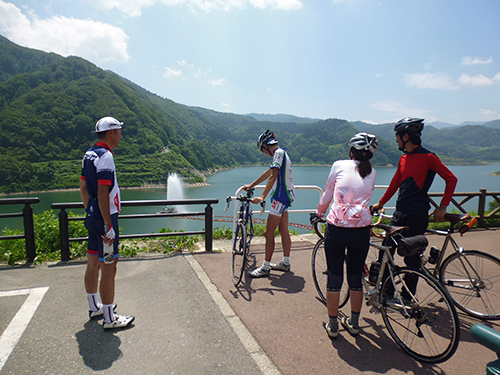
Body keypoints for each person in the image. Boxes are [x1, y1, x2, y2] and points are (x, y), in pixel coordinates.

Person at [371, 117, 458, 302]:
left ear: (405, 136)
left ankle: (407, 298)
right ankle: (387, 293)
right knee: (386, 250)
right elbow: (394, 184)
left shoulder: (429, 158)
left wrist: (443, 206)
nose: (395, 140)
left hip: (417, 214)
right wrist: (381, 202)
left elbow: (451, 179)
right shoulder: (403, 159)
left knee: (412, 258)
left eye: (397, 136)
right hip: (400, 213)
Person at [316, 133, 378, 338]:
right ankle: (354, 322)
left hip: (337, 228)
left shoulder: (339, 165)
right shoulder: (373, 172)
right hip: (361, 230)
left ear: (351, 151)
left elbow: (327, 193)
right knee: (355, 278)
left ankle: (333, 325)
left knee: (334, 276)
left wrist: (319, 213)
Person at [79, 116, 135, 330]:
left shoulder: (89, 154)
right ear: (111, 132)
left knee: (93, 263)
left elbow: (83, 186)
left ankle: (95, 307)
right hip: (106, 219)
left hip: (93, 216)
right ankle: (110, 319)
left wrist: (89, 210)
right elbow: (103, 192)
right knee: (109, 268)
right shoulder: (106, 157)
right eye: (119, 131)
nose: (121, 135)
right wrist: (107, 225)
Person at [243, 129, 295, 278]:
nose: (264, 153)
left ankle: (265, 266)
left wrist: (262, 196)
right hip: (286, 196)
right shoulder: (282, 153)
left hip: (280, 197)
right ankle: (285, 262)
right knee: (284, 230)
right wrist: (252, 185)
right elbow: (268, 172)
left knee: (268, 232)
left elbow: (273, 176)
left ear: (266, 146)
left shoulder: (277, 153)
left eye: (263, 150)